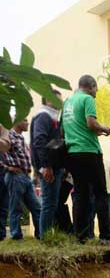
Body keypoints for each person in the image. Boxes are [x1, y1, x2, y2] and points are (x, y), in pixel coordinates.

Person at [62, 74, 110, 242]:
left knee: (81, 194)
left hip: (72, 154)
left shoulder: (67, 103)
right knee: (100, 193)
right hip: (90, 152)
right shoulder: (87, 99)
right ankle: (106, 236)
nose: (96, 92)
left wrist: (94, 131)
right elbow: (91, 123)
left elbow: (68, 130)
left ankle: (81, 236)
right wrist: (105, 128)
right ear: (91, 86)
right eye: (96, 88)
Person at [30, 90, 65, 237]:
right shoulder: (43, 116)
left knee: (52, 203)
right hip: (48, 168)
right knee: (49, 204)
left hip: (55, 167)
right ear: (47, 101)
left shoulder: (53, 118)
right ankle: (45, 238)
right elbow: (39, 141)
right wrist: (45, 166)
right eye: (56, 100)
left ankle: (49, 235)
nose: (60, 103)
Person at [0, 118, 41, 240]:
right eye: (24, 120)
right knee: (15, 209)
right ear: (16, 122)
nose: (27, 123)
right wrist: (8, 168)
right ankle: (16, 237)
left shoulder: (22, 138)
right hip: (15, 177)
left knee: (37, 207)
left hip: (26, 178)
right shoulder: (9, 136)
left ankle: (41, 235)